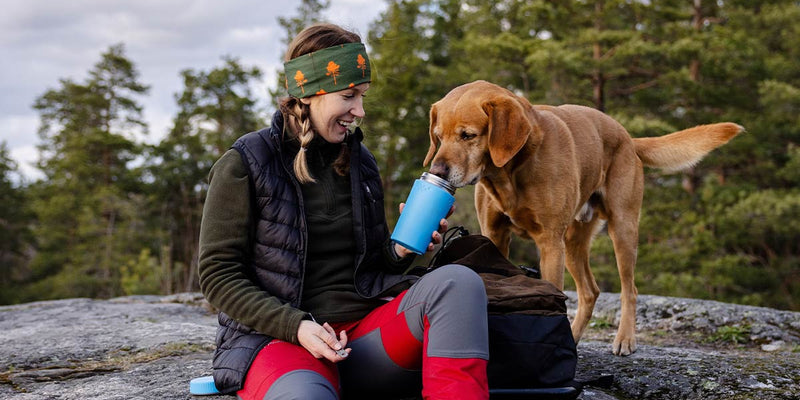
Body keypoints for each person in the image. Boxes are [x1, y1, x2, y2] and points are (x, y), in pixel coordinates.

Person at [198, 23, 489, 400]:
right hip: (282, 343)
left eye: (363, 96)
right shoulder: (246, 162)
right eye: (349, 96)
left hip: (364, 338)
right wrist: (296, 325)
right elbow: (217, 275)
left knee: (458, 282)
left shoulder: (359, 161)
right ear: (309, 93)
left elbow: (370, 266)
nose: (360, 111)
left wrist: (400, 250)